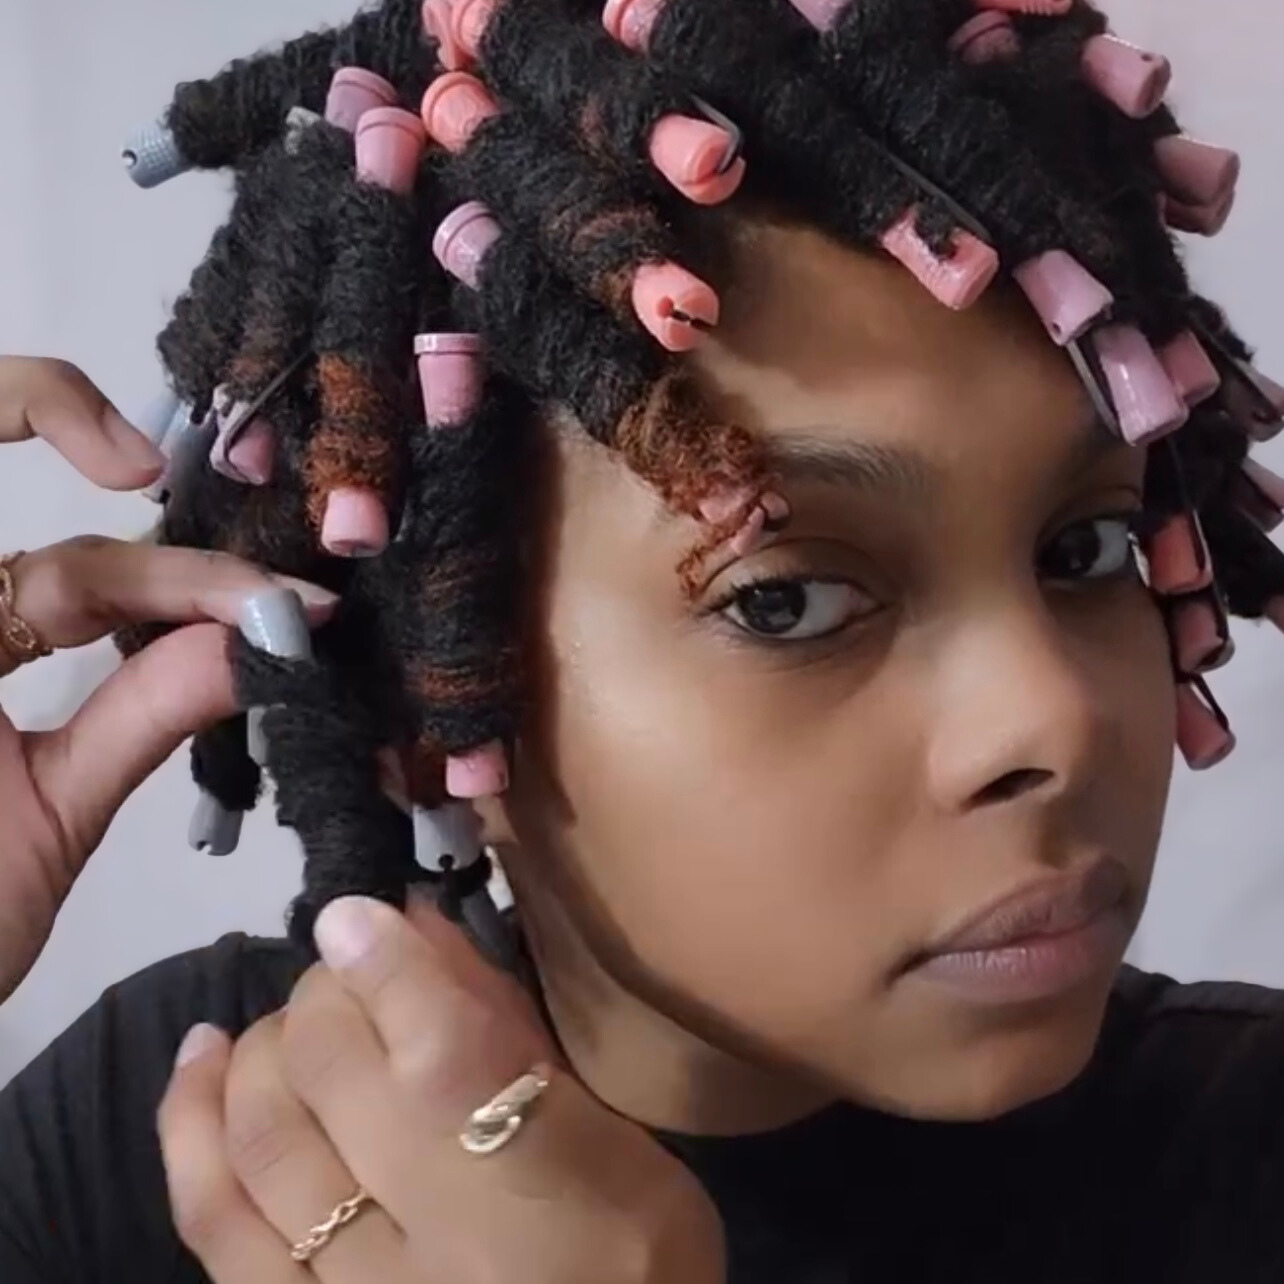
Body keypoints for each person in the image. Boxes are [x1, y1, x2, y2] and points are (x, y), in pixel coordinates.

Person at [3, 0, 1284, 1279]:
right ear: (418, 704)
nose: (1052, 718)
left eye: (1086, 550)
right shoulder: (155, 1136)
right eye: (783, 599)